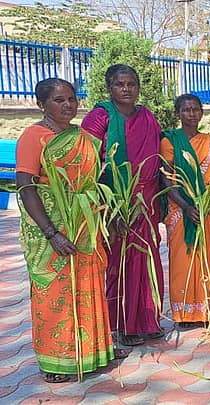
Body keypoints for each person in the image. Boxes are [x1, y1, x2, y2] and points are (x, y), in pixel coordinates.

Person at [16, 78, 126, 383]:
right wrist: (52, 233)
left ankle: (94, 351)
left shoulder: (83, 137)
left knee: (89, 286)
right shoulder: (33, 136)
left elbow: (93, 183)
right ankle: (56, 359)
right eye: (59, 100)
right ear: (42, 105)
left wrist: (108, 217)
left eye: (72, 99)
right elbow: (26, 187)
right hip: (51, 228)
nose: (68, 105)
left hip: (84, 224)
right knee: (55, 292)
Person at [82, 64, 164, 346]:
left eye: (131, 83)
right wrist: (107, 206)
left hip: (146, 201)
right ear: (109, 87)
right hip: (115, 201)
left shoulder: (147, 116)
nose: (126, 89)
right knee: (119, 262)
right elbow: (87, 163)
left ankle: (147, 319)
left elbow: (158, 159)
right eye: (120, 84)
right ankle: (120, 325)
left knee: (147, 259)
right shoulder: (100, 116)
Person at [161, 94, 210, 328]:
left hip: (208, 205)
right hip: (180, 207)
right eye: (186, 110)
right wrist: (186, 206)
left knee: (207, 256)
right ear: (178, 113)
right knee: (182, 257)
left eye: (196, 109)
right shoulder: (170, 142)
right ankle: (185, 313)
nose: (192, 114)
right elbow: (167, 179)